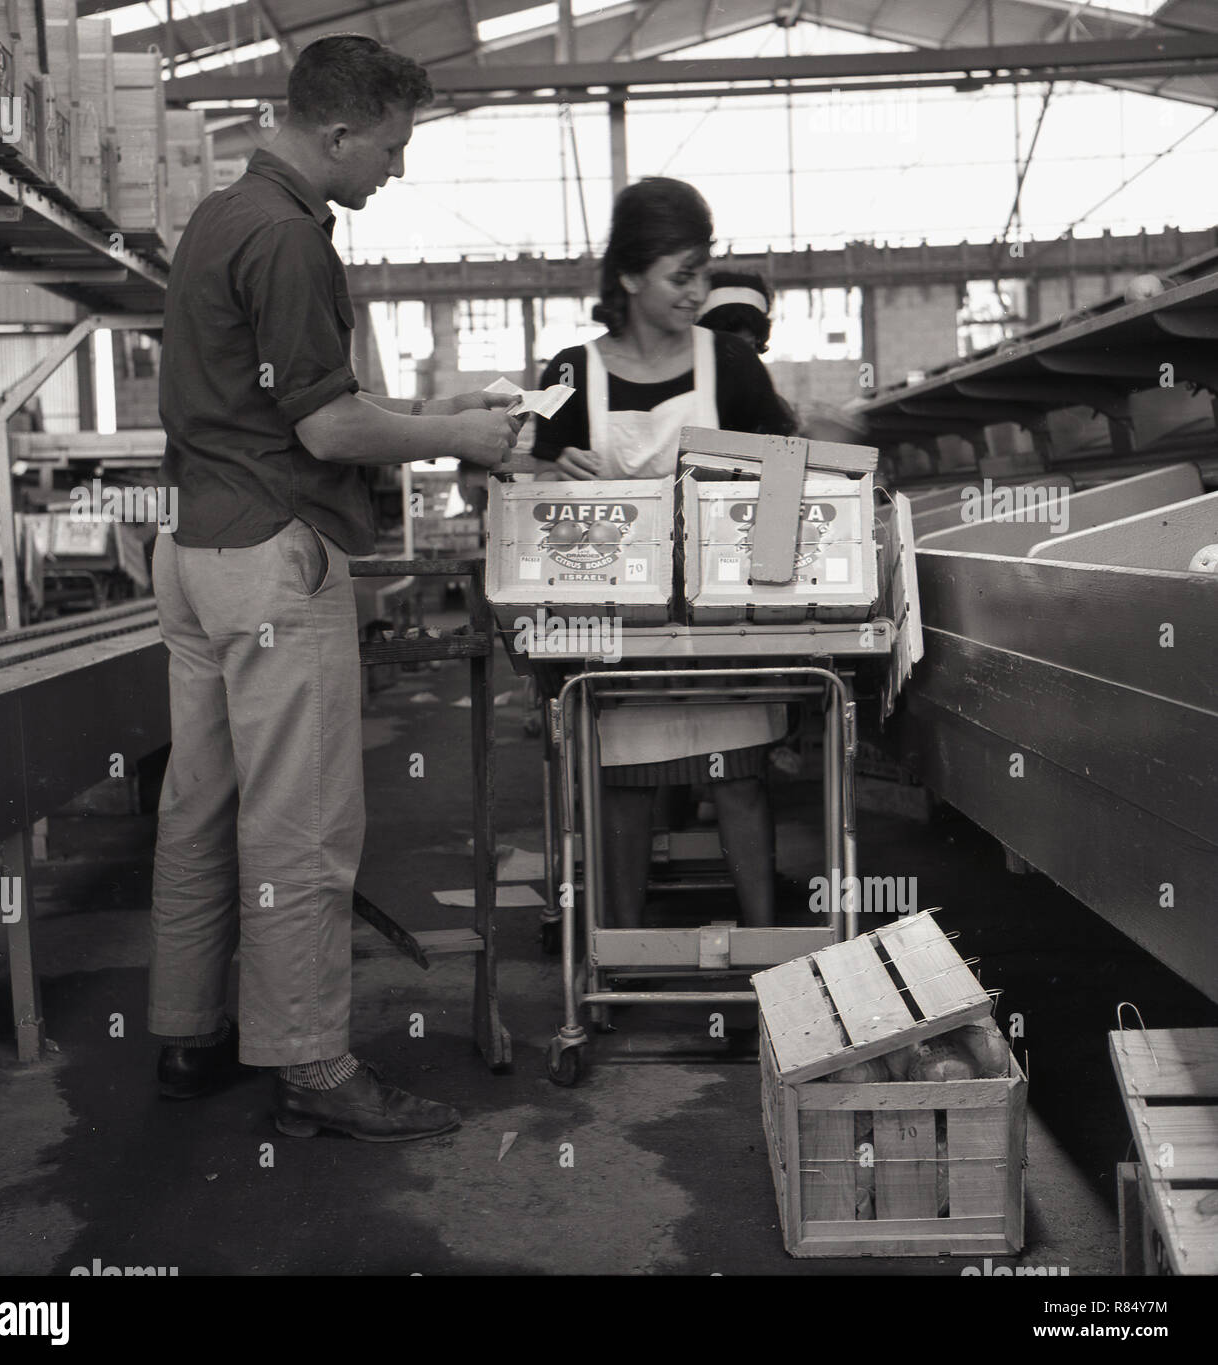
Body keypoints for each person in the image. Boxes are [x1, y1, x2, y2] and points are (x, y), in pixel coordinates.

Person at [150, 34, 520, 1142]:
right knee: (300, 827)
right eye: (392, 149)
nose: (394, 172)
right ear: (341, 130)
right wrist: (462, 434)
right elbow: (327, 424)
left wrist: (427, 412)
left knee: (201, 805)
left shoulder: (220, 218)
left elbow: (285, 400)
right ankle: (313, 1067)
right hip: (272, 552)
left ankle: (185, 1032)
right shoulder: (289, 237)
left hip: (196, 552)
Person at [531, 178, 791, 930]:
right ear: (630, 276)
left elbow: (782, 485)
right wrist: (551, 472)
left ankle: (766, 951)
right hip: (615, 628)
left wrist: (765, 585)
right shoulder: (571, 373)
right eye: (683, 275)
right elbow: (519, 475)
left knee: (739, 779)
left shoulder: (733, 369)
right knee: (623, 782)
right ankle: (617, 959)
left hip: (721, 628)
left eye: (703, 272)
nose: (697, 291)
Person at [697, 269, 799, 433]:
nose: (740, 361)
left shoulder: (776, 409)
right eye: (728, 349)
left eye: (748, 348)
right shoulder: (687, 402)